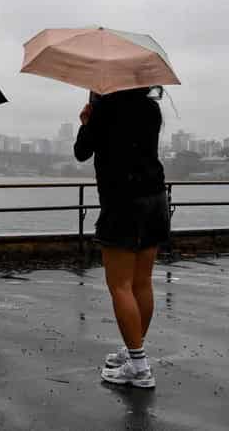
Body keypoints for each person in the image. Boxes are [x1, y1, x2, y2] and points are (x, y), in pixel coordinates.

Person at [75, 86, 169, 389]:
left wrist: (86, 121)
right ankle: (133, 350)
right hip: (155, 199)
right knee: (142, 282)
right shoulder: (152, 109)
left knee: (120, 285)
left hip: (122, 203)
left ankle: (139, 367)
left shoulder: (105, 109)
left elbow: (82, 152)